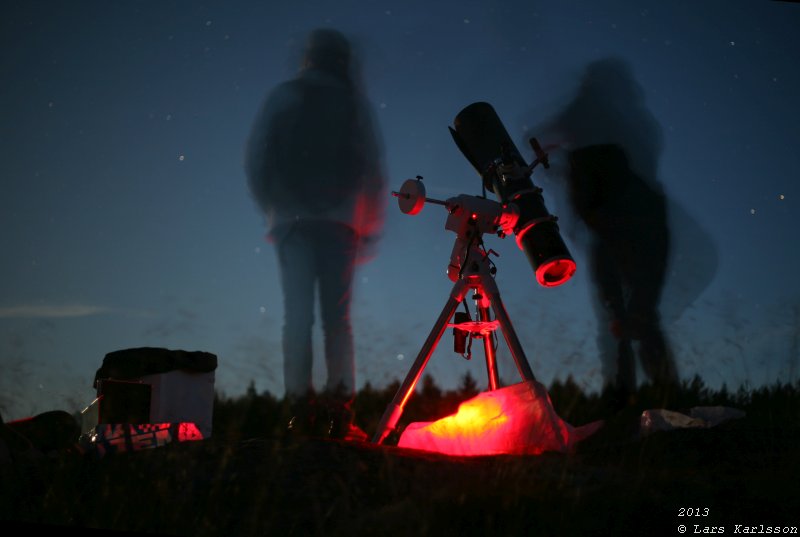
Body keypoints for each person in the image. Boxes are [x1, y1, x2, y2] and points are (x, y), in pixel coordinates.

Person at [244, 28, 386, 438]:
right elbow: (372, 169)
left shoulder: (285, 96)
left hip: (291, 222)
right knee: (337, 320)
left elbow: (257, 159)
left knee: (297, 317)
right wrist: (369, 225)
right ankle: (339, 411)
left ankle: (298, 411)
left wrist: (275, 207)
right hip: (342, 223)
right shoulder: (354, 104)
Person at [540, 58, 679, 406]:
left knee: (629, 317)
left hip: (623, 224)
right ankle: (655, 401)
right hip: (630, 224)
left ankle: (643, 402)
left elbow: (548, 136)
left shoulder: (599, 128)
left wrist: (558, 161)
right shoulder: (626, 128)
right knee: (630, 317)